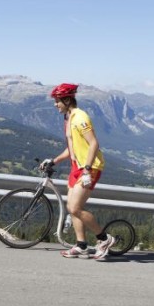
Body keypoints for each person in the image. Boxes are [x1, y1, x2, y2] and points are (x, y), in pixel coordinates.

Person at [39, 83, 115, 260]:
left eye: (57, 101)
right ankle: (81, 245)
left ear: (67, 100)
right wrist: (54, 160)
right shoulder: (68, 118)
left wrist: (87, 169)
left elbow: (94, 144)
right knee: (71, 208)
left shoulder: (80, 117)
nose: (55, 104)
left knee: (75, 207)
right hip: (76, 167)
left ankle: (104, 239)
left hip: (90, 167)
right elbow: (71, 148)